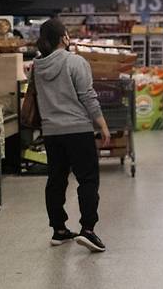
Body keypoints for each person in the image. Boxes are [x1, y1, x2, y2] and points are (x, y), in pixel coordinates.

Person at [32, 18, 110, 252]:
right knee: (87, 179)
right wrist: (103, 125)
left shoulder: (37, 67)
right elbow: (88, 96)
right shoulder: (76, 62)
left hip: (51, 132)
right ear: (63, 38)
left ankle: (59, 229)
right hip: (77, 129)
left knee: (56, 180)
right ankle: (88, 229)